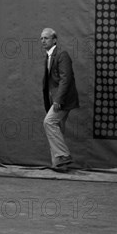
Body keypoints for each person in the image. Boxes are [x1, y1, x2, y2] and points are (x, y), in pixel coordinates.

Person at [40, 28, 79, 169]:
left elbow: (66, 79)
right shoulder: (49, 56)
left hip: (63, 100)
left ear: (54, 40)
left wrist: (58, 100)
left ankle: (63, 155)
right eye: (41, 38)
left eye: (46, 38)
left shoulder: (62, 55)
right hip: (55, 99)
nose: (43, 41)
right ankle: (58, 165)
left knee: (49, 122)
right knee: (57, 130)